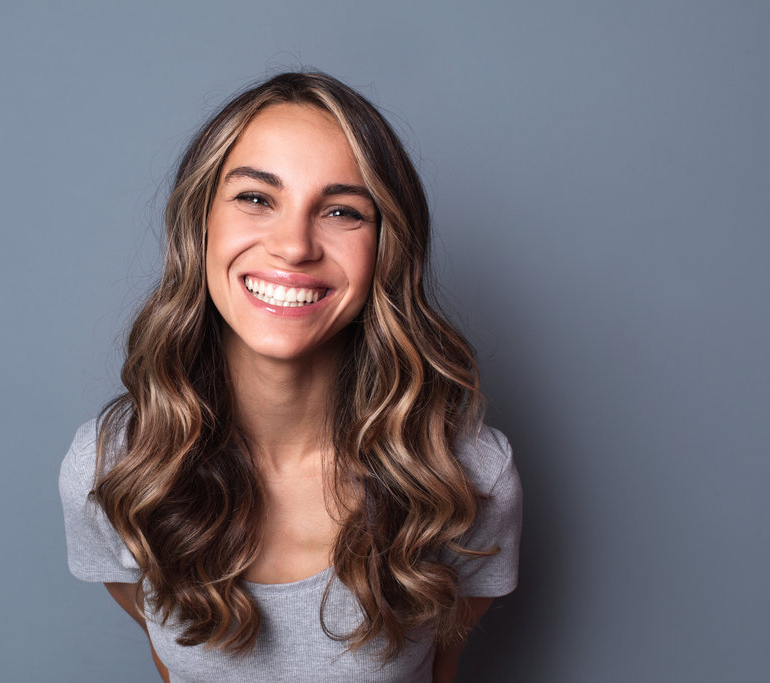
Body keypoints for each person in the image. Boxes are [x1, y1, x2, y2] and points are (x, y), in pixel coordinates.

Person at [60, 71, 522, 682]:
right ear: (200, 226)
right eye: (256, 198)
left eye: (341, 210)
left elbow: (442, 666)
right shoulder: (113, 469)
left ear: (387, 247)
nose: (295, 245)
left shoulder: (465, 477)